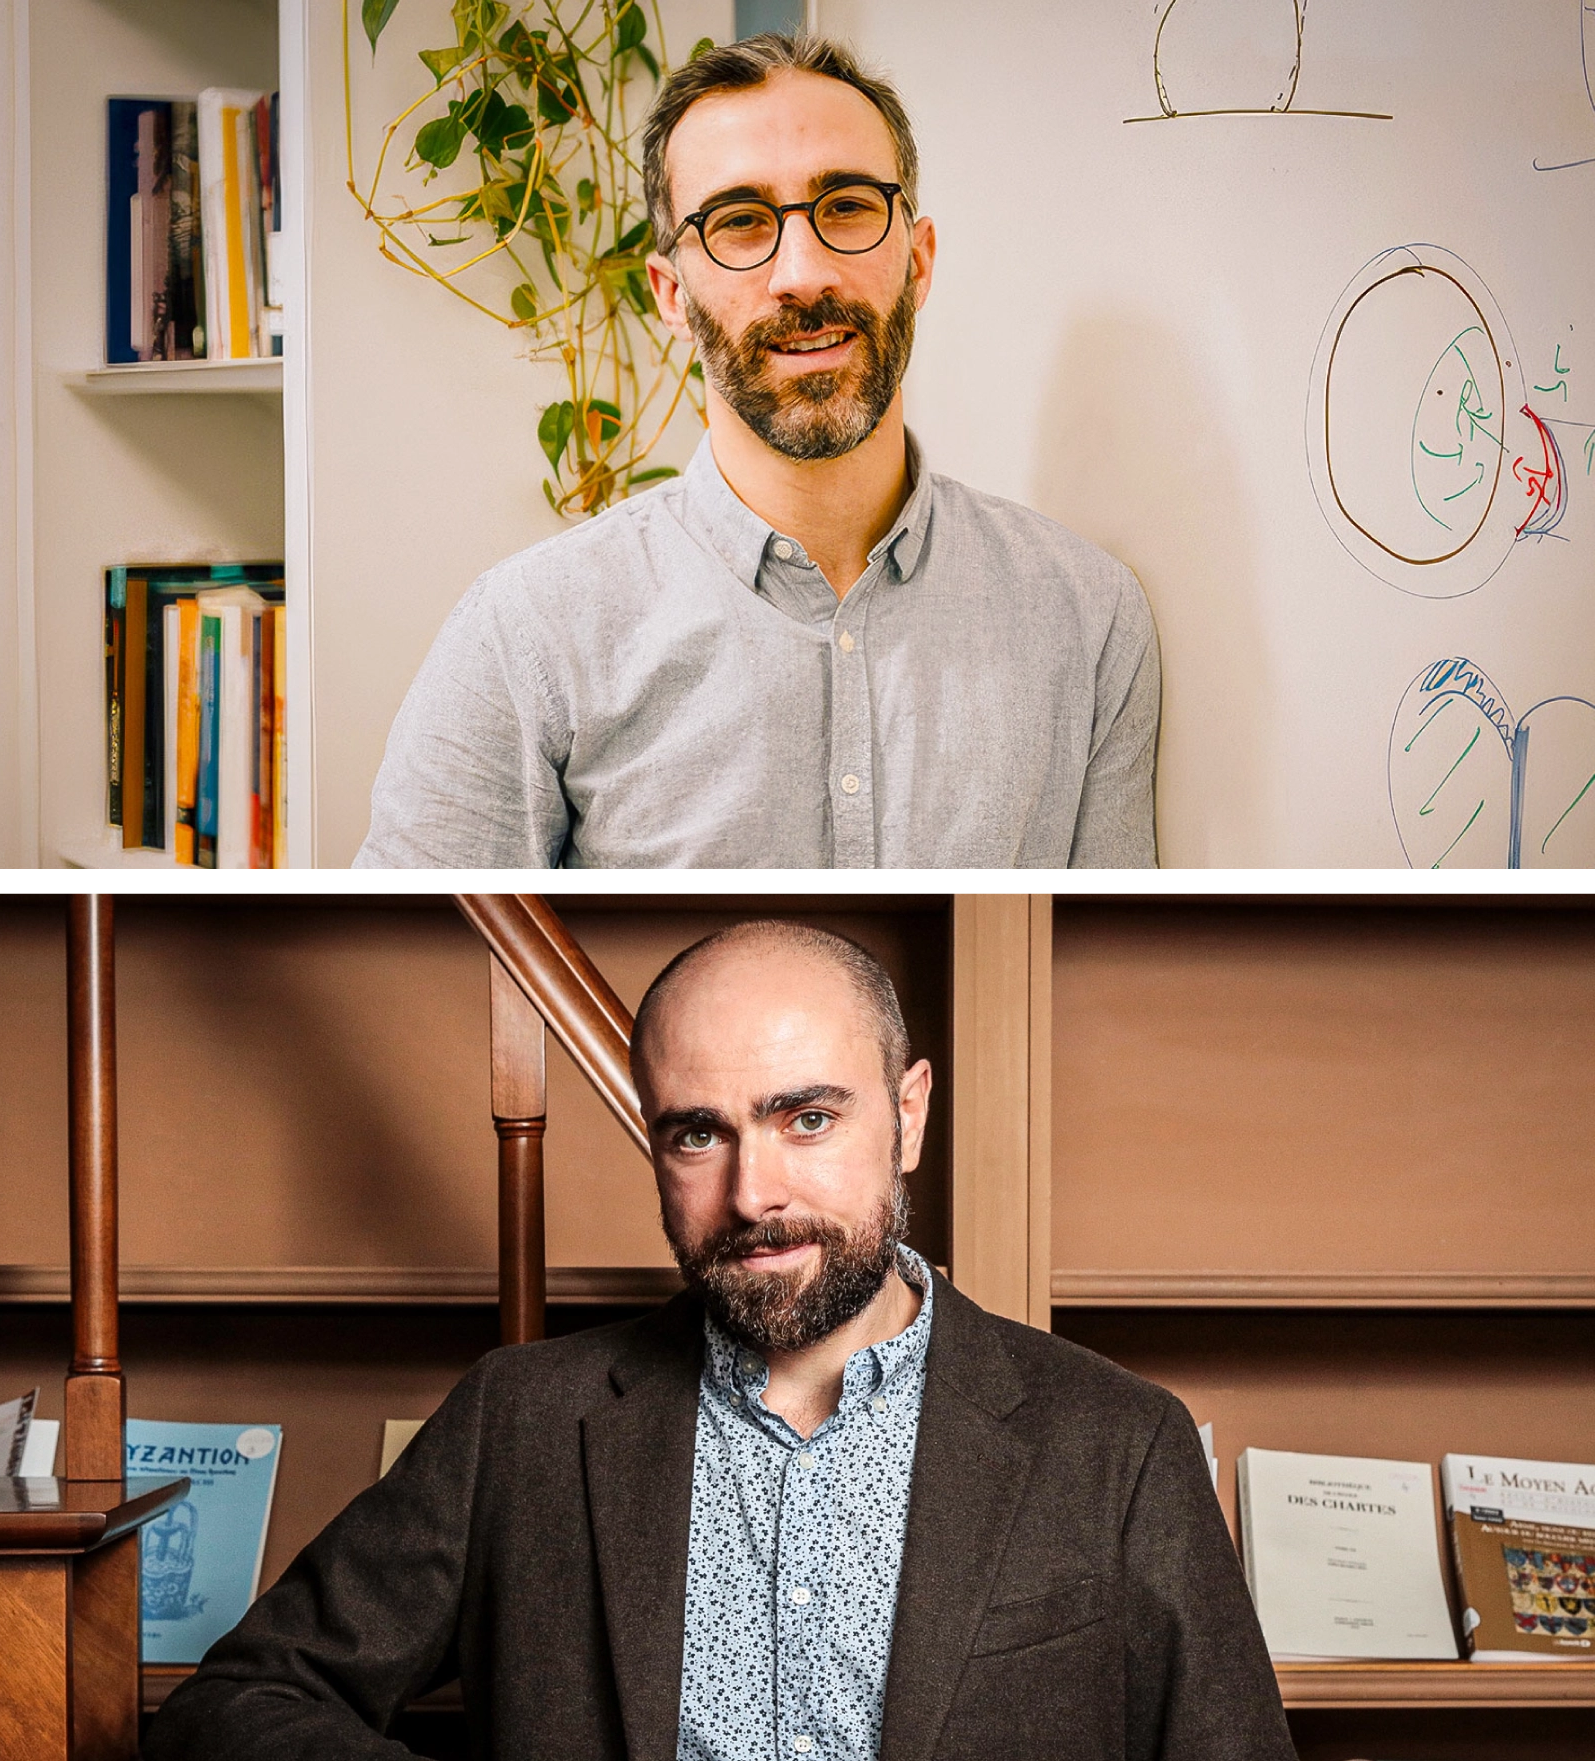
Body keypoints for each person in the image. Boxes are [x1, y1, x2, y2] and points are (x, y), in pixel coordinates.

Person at [144, 921, 1292, 1761]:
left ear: (910, 1115)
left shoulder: (1116, 1443)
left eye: (808, 1118)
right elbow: (239, 1704)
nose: (755, 1193)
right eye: (699, 1134)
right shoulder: (521, 1421)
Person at [353, 33, 1160, 872]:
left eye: (846, 205)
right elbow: (411, 980)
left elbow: (1112, 983)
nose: (802, 275)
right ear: (672, 293)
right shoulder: (527, 636)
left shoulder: (1088, 620)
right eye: (741, 223)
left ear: (916, 262)